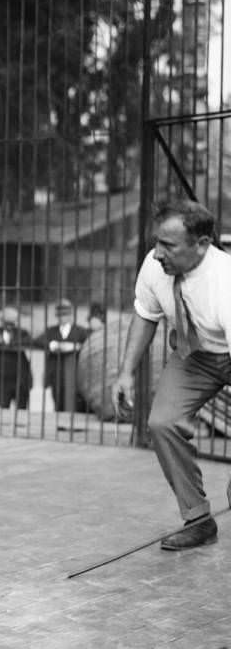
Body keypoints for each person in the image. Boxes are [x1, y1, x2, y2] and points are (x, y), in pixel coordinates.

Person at [111, 199, 231, 551]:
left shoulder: (224, 282)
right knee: (162, 423)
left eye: (169, 245)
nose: (158, 253)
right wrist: (125, 374)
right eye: (157, 242)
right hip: (194, 355)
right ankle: (198, 519)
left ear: (202, 244)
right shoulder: (153, 265)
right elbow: (145, 315)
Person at [34, 299, 90, 412]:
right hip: (56, 372)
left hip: (74, 372)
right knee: (57, 399)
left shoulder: (80, 331)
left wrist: (75, 347)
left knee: (74, 399)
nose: (62, 318)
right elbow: (36, 341)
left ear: (70, 316)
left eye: (64, 315)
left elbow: (89, 343)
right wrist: (53, 344)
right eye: (59, 315)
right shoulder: (51, 331)